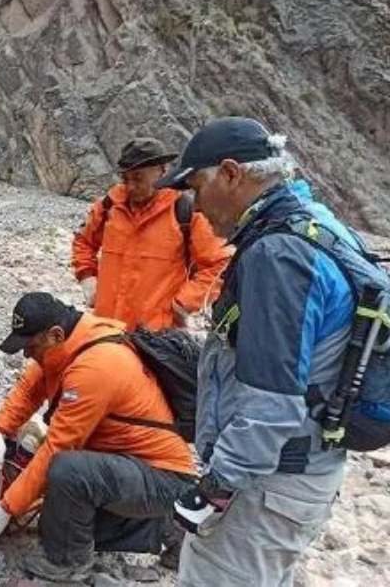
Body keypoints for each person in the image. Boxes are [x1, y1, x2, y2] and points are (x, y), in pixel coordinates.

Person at [157, 118, 388, 586]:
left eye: (195, 187)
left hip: (269, 481)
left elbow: (272, 403)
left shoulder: (276, 255)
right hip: (307, 471)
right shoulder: (317, 223)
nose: (194, 207)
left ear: (230, 173)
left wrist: (217, 486)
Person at [0, 293, 196, 581]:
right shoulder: (73, 341)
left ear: (55, 334)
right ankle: (163, 524)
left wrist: (7, 508)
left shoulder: (96, 368)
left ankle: (68, 562)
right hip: (131, 467)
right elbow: (31, 388)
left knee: (66, 470)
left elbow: (58, 445)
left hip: (162, 477)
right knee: (64, 514)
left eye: (30, 347)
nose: (26, 355)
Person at [71, 137, 231, 330]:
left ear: (162, 171)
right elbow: (83, 241)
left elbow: (219, 265)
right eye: (125, 179)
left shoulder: (185, 211)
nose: (130, 186)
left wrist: (182, 303)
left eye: (138, 178)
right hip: (106, 328)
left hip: (156, 336)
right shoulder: (109, 206)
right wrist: (87, 277)